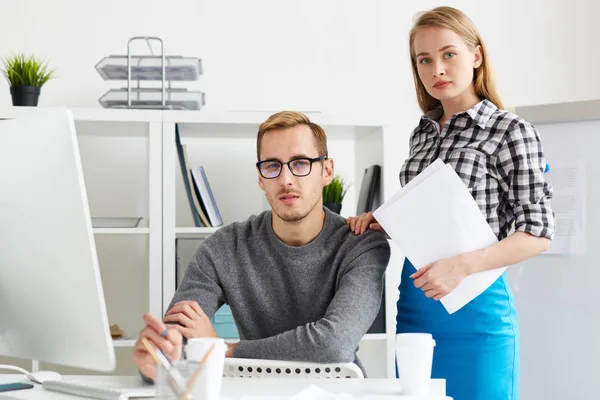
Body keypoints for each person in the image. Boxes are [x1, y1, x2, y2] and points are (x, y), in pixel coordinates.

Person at [346, 6, 554, 400]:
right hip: (416, 307)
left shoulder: (510, 130)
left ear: (476, 56)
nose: (436, 69)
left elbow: (538, 234)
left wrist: (462, 266)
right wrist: (386, 220)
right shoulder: (421, 133)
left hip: (478, 313)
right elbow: (432, 214)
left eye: (449, 54)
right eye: (424, 59)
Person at [133, 111, 391, 382]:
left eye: (301, 163)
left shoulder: (361, 244)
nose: (286, 180)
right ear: (260, 178)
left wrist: (222, 349)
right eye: (272, 166)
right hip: (254, 392)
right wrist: (160, 356)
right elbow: (177, 336)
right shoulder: (223, 248)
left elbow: (333, 344)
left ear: (326, 171)